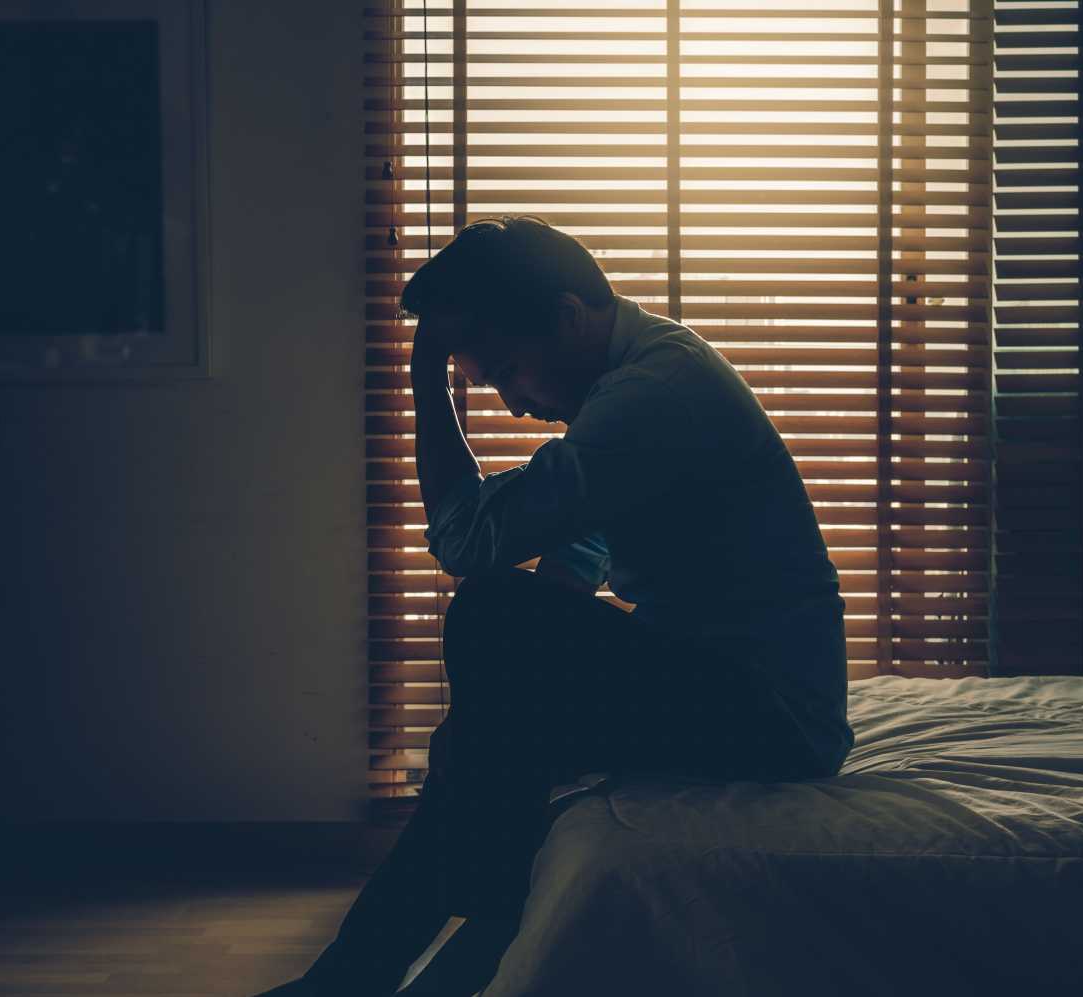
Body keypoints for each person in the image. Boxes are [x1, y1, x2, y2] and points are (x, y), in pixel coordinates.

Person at [253, 215, 852, 996]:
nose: (510, 403)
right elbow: (584, 548)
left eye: (508, 370)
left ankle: (464, 931)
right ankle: (397, 961)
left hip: (775, 719)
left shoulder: (654, 394)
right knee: (490, 697)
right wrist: (495, 715)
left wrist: (424, 380)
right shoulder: (644, 373)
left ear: (569, 318)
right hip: (735, 687)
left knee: (488, 609)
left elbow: (466, 544)